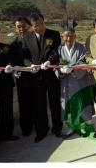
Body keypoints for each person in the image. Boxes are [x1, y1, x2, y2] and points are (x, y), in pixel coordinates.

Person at [22, 13, 62, 143]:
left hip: (50, 74)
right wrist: (29, 64)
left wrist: (50, 61)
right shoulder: (27, 37)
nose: (38, 27)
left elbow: (56, 51)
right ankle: (42, 130)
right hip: (36, 76)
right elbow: (25, 56)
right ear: (32, 26)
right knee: (39, 104)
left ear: (43, 21)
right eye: (35, 26)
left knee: (54, 102)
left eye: (39, 24)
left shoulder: (54, 34)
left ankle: (57, 128)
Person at [57, 20, 95, 138]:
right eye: (66, 36)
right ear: (62, 36)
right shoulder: (59, 49)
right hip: (66, 83)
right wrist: (60, 71)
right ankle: (70, 127)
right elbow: (55, 65)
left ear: (75, 36)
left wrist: (73, 70)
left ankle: (86, 126)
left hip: (80, 81)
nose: (69, 39)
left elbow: (83, 62)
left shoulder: (81, 48)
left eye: (71, 36)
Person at [0, 24, 18, 149]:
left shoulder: (6, 47)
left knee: (6, 110)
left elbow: (12, 60)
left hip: (5, 84)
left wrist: (9, 65)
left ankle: (7, 133)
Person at [9, 17, 35, 137]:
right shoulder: (13, 44)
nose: (21, 29)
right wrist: (13, 69)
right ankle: (26, 128)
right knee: (24, 104)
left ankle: (39, 125)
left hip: (36, 76)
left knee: (37, 103)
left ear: (29, 26)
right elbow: (12, 60)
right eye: (18, 26)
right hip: (22, 79)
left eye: (23, 26)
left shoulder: (36, 39)